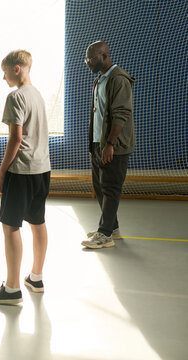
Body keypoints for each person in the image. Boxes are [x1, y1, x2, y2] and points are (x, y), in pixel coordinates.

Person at [0, 50, 51, 305]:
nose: (3, 78)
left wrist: (2, 172)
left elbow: (16, 138)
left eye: (5, 72)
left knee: (10, 225)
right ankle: (36, 277)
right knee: (37, 221)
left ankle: (12, 289)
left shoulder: (16, 96)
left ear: (17, 69)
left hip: (21, 171)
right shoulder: (38, 95)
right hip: (42, 169)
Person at [81, 41, 135, 249]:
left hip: (114, 145)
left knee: (111, 188)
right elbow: (97, 116)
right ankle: (112, 227)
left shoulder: (118, 79)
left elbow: (121, 114)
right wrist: (94, 146)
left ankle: (105, 235)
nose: (87, 62)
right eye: (86, 58)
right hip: (98, 144)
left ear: (104, 56)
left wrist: (110, 144)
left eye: (91, 58)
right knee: (99, 187)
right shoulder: (99, 81)